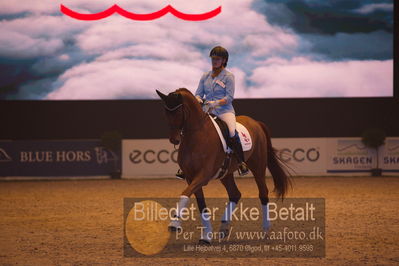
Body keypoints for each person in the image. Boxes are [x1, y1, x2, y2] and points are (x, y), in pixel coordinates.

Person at [176, 46, 249, 179]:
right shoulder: (205, 76)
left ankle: (241, 162)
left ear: (224, 60)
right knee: (189, 131)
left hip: (224, 111)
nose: (214, 61)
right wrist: (198, 99)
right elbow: (198, 93)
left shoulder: (229, 76)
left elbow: (229, 97)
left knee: (232, 132)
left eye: (217, 59)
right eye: (213, 58)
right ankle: (183, 166)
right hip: (206, 111)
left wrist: (215, 103)